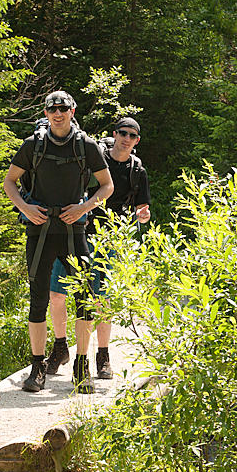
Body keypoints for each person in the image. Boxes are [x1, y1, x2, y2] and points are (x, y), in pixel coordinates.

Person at [3, 91, 113, 394]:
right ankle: (37, 367)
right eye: (53, 109)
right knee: (38, 298)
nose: (58, 113)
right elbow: (9, 182)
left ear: (73, 111)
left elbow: (107, 186)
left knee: (84, 299)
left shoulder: (85, 146)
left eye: (63, 108)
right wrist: (25, 208)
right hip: (39, 231)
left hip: (73, 230)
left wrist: (83, 207)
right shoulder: (33, 145)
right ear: (47, 112)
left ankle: (81, 366)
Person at [45, 117, 151, 380]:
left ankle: (102, 355)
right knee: (57, 293)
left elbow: (141, 208)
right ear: (115, 134)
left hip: (111, 239)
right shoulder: (95, 158)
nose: (126, 139)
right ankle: (60, 346)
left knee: (102, 300)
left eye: (132, 136)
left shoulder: (137, 171)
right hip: (77, 231)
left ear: (137, 141)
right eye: (123, 133)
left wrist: (143, 216)